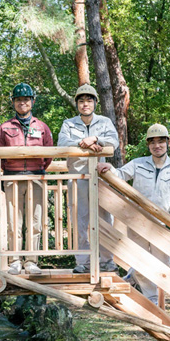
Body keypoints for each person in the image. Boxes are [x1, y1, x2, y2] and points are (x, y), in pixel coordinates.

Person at [98, 123, 170, 304]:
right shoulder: (138, 164)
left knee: (163, 265)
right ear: (148, 145)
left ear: (168, 143)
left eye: (161, 141)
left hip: (161, 225)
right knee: (140, 260)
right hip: (137, 222)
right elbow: (120, 174)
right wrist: (109, 169)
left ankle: (132, 275)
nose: (157, 145)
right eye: (152, 142)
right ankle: (151, 299)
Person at [58, 84, 119, 274]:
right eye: (82, 101)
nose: (85, 104)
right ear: (77, 104)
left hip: (100, 179)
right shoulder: (69, 123)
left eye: (89, 100)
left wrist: (95, 139)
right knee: (80, 221)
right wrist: (81, 142)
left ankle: (107, 261)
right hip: (78, 178)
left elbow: (113, 142)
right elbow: (61, 144)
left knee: (104, 220)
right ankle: (83, 261)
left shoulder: (105, 122)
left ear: (95, 103)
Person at [0, 83, 53, 275]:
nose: (22, 103)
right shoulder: (5, 128)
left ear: (32, 102)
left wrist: (40, 169)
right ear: (13, 103)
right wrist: (9, 170)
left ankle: (31, 261)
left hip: (36, 178)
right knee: (14, 221)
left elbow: (50, 153)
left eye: (26, 99)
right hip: (12, 178)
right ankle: (15, 260)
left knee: (35, 221)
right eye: (18, 100)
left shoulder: (42, 127)